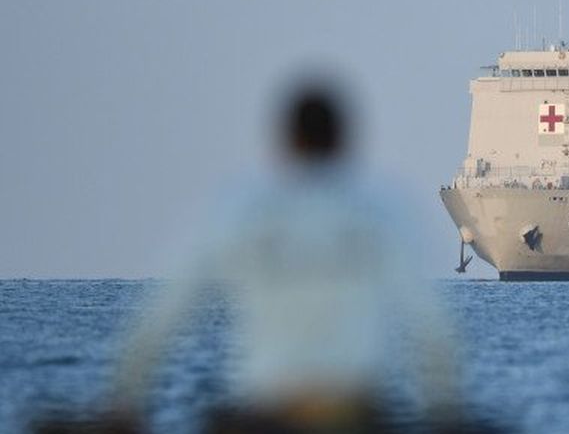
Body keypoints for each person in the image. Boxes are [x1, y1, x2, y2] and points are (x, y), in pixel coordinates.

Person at [114, 75, 457, 415]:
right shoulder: (383, 209)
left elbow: (163, 315)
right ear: (344, 141)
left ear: (284, 140)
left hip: (265, 416)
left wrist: (123, 407)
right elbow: (431, 330)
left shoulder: (239, 207)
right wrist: (447, 416)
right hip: (350, 415)